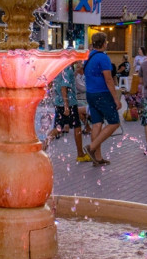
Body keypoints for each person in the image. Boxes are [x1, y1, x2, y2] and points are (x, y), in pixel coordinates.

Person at [82, 32, 121, 166]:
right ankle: (91, 147)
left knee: (97, 124)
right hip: (102, 94)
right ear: (104, 43)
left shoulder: (88, 56)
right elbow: (109, 79)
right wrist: (116, 99)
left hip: (90, 93)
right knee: (114, 122)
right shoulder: (103, 58)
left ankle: (97, 158)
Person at [43, 61, 88, 162]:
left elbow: (63, 82)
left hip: (59, 102)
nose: (79, 60)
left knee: (59, 127)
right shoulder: (67, 69)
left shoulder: (61, 67)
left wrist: (75, 72)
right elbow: (64, 87)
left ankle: (43, 147)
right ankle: (80, 154)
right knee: (75, 127)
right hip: (69, 103)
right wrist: (66, 106)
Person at [74, 61, 91, 135]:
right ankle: (88, 127)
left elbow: (83, 89)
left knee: (77, 110)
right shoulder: (78, 76)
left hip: (86, 100)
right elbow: (82, 88)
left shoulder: (86, 76)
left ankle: (88, 128)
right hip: (85, 98)